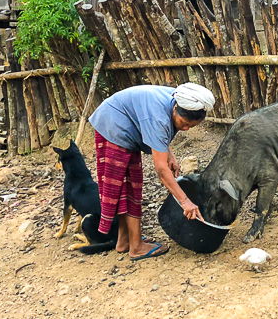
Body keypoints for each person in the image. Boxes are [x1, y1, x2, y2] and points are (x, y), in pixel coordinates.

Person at [88, 82, 215, 261]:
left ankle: (124, 241)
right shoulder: (159, 118)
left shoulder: (178, 100)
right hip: (113, 126)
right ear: (175, 110)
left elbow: (160, 137)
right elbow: (161, 170)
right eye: (184, 123)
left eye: (191, 127)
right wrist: (185, 202)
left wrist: (169, 154)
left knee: (127, 187)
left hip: (119, 120)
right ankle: (137, 247)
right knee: (130, 187)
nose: (185, 129)